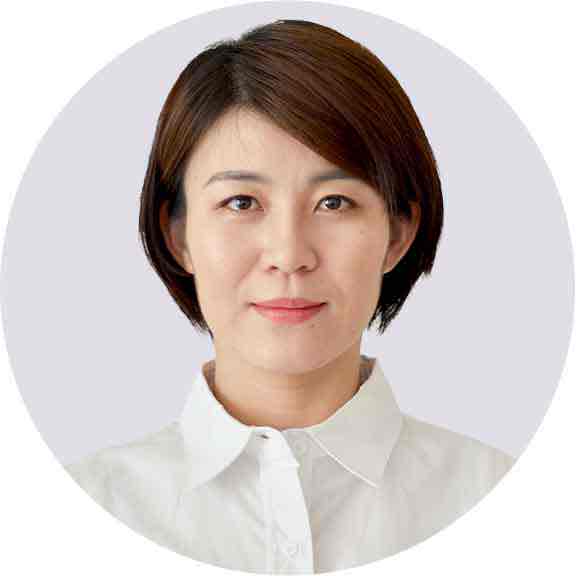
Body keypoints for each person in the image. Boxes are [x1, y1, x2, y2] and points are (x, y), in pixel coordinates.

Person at [65, 19, 515, 573]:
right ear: (178, 235)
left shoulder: (503, 499)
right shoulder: (80, 512)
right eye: (241, 203)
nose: (289, 254)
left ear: (398, 233)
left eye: (334, 203)